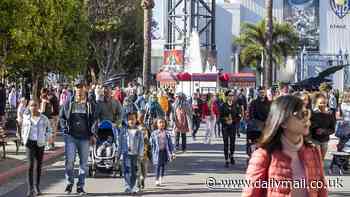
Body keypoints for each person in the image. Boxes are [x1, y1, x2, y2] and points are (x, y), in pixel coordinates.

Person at [242, 95, 327, 197]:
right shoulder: (263, 155)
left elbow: (322, 191)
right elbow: (250, 194)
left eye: (306, 113)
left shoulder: (313, 152)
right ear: (283, 122)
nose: (306, 119)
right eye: (300, 115)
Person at [59, 78, 97, 195]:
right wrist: (64, 128)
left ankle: (80, 186)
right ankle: (69, 183)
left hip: (85, 137)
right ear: (74, 88)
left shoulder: (90, 103)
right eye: (77, 86)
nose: (79, 89)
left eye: (81, 86)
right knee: (69, 162)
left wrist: (93, 134)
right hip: (71, 136)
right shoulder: (69, 101)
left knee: (84, 164)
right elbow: (62, 117)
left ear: (85, 88)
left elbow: (94, 119)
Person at [22, 100, 52, 197]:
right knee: (30, 166)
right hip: (29, 143)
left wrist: (45, 138)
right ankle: (30, 189)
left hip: (40, 143)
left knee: (39, 166)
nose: (33, 107)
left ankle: (37, 187)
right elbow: (23, 129)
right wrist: (23, 138)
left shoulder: (44, 118)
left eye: (35, 105)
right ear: (29, 107)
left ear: (38, 106)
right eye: (31, 105)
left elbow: (49, 129)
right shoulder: (26, 118)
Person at [119, 112, 144, 194]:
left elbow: (141, 143)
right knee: (126, 171)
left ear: (136, 119)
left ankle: (133, 186)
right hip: (126, 154)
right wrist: (119, 155)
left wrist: (140, 154)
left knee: (134, 171)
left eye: (133, 119)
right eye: (129, 119)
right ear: (126, 120)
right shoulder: (123, 131)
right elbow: (120, 143)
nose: (131, 121)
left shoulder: (139, 131)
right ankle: (127, 186)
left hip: (135, 154)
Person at [150, 118, 176, 186]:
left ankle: (161, 177)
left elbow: (170, 144)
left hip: (165, 151)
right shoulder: (154, 133)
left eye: (163, 122)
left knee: (163, 165)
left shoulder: (167, 133)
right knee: (158, 165)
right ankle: (157, 179)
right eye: (160, 122)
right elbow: (151, 143)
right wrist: (149, 152)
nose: (162, 124)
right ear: (157, 124)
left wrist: (172, 152)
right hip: (157, 152)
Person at [310, 93, 336, 160]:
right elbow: (310, 125)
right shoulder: (314, 113)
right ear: (317, 103)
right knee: (316, 158)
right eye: (320, 103)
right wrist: (316, 129)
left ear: (326, 103)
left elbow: (332, 129)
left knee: (322, 159)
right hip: (315, 139)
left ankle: (321, 169)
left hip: (325, 140)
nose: (322, 105)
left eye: (324, 103)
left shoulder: (330, 114)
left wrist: (324, 131)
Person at [137, 111, 151, 190]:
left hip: (145, 153)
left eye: (143, 117)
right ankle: (138, 182)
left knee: (144, 171)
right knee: (138, 170)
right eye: (140, 117)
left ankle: (142, 179)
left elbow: (150, 139)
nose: (141, 118)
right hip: (136, 153)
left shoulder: (147, 127)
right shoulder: (134, 127)